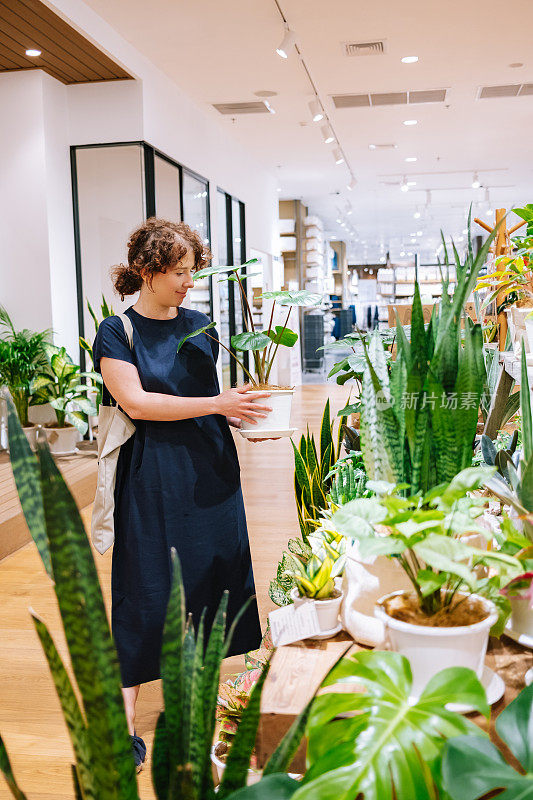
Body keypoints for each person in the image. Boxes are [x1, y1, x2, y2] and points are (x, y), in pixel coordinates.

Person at [92, 218, 269, 771]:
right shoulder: (115, 333)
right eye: (178, 272)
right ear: (147, 272)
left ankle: (197, 704)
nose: (188, 282)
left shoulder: (202, 325)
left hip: (210, 470)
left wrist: (242, 414)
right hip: (152, 478)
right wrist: (218, 405)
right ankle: (123, 732)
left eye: (192, 270)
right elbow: (138, 404)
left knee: (209, 581)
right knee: (143, 592)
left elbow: (206, 397)